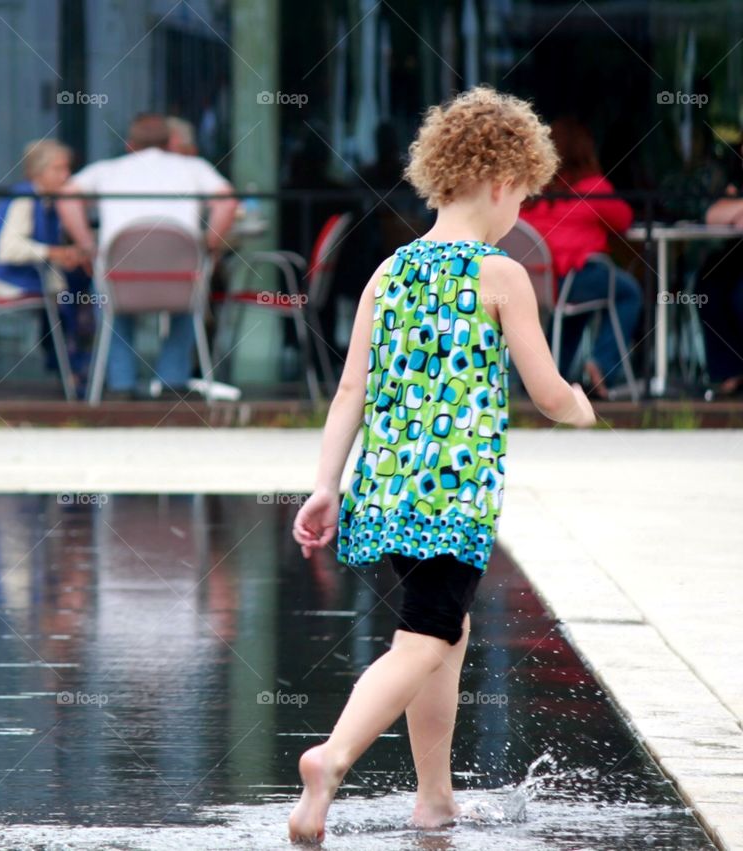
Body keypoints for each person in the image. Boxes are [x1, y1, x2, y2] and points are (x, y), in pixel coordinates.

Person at [287, 87, 595, 843]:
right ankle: (332, 757)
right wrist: (584, 407)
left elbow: (349, 391)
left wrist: (326, 484)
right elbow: (547, 389)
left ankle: (434, 799)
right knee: (424, 635)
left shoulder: (389, 271)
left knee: (442, 631)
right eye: (524, 194)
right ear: (500, 183)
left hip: (386, 489)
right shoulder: (501, 275)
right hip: (451, 496)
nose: (521, 209)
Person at [58, 113, 238, 399]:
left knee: (108, 301)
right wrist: (209, 245)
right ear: (169, 143)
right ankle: (172, 382)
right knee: (191, 300)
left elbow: (67, 197)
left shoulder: (107, 170)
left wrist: (88, 246)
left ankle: (121, 385)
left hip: (121, 280)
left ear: (130, 145)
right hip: (180, 280)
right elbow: (227, 202)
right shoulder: (193, 168)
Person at [520, 117, 642, 399]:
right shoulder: (593, 189)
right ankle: (602, 364)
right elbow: (624, 220)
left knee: (578, 305)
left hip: (535, 283)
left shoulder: (533, 195)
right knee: (628, 292)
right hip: (573, 278)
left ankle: (545, 376)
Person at [0, 140, 94, 384]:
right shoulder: (26, 198)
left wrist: (64, 255)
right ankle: (71, 365)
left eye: (67, 169)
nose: (66, 176)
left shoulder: (46, 201)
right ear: (37, 172)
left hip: (31, 275)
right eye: (58, 169)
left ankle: (68, 362)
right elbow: (9, 249)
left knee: (75, 282)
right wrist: (56, 253)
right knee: (73, 289)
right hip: (8, 277)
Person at [698, 168, 743, 397]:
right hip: (735, 256)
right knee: (708, 287)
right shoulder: (735, 176)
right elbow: (712, 216)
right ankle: (730, 371)